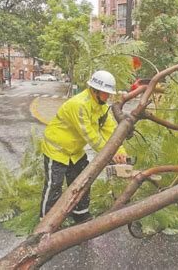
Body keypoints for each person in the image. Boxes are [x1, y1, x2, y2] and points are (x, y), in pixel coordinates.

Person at [39, 70, 127, 223]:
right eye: (106, 93)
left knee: (82, 181)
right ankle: (45, 222)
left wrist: (120, 151)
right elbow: (91, 137)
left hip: (75, 151)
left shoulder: (102, 106)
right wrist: (110, 154)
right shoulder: (79, 105)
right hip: (56, 149)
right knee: (54, 186)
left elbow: (111, 130)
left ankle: (81, 214)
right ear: (95, 90)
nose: (108, 97)